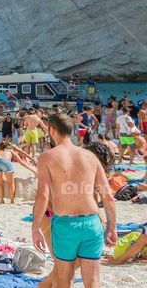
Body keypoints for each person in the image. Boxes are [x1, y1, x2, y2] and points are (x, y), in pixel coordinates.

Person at [32, 113, 117, 288]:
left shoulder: (47, 157)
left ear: (52, 130)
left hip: (65, 225)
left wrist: (35, 228)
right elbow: (107, 195)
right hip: (92, 223)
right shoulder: (90, 157)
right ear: (71, 131)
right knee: (93, 281)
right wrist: (112, 226)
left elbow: (43, 195)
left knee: (65, 278)